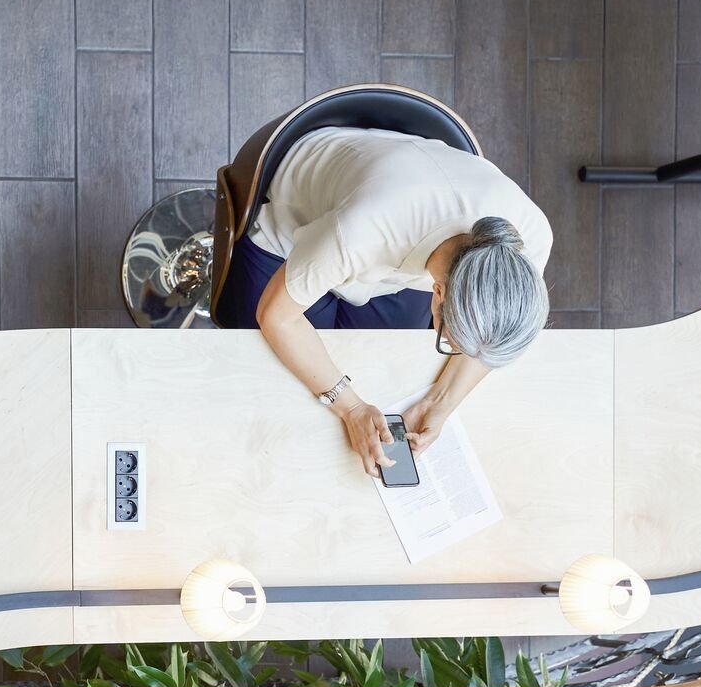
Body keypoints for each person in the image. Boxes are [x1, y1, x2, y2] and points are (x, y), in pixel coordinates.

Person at [215, 126, 552, 477]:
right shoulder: (364, 230)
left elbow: (489, 342)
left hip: (386, 256)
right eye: (452, 342)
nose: (460, 352)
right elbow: (278, 317)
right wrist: (351, 408)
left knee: (379, 367)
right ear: (439, 294)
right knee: (272, 379)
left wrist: (440, 402)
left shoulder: (530, 242)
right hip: (296, 229)